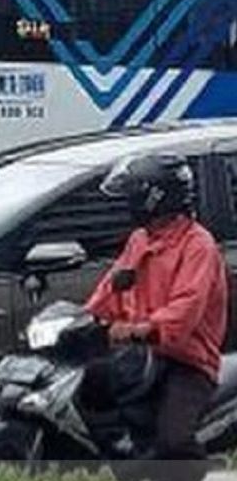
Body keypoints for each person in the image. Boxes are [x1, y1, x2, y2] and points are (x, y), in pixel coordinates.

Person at [85, 153, 229, 459]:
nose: (128, 203)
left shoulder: (198, 247)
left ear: (155, 197)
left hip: (187, 362)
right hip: (141, 356)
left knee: (173, 441)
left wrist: (139, 330)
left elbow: (184, 311)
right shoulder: (140, 239)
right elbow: (112, 286)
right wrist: (84, 319)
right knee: (83, 393)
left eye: (134, 194)